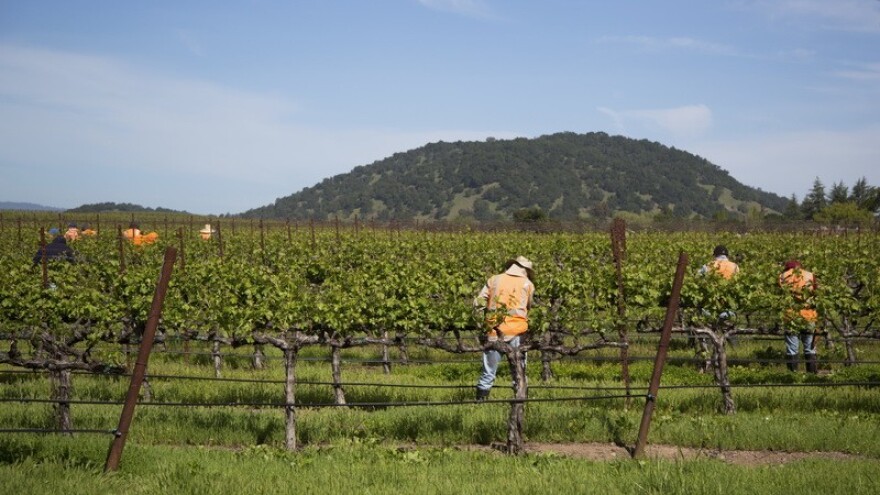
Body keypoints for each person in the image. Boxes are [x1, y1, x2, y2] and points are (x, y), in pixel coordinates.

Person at [473, 256, 535, 401]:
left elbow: (478, 302)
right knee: (519, 372)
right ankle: (520, 402)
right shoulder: (527, 284)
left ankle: (479, 404)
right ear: (525, 270)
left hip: (494, 330)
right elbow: (529, 306)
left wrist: (480, 323)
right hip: (519, 332)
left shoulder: (494, 280)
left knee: (488, 372)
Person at [779, 260, 819, 373]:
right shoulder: (810, 275)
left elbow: (779, 294)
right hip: (809, 315)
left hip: (790, 315)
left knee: (792, 348)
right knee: (810, 347)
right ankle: (812, 375)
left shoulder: (783, 276)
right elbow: (816, 292)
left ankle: (793, 375)